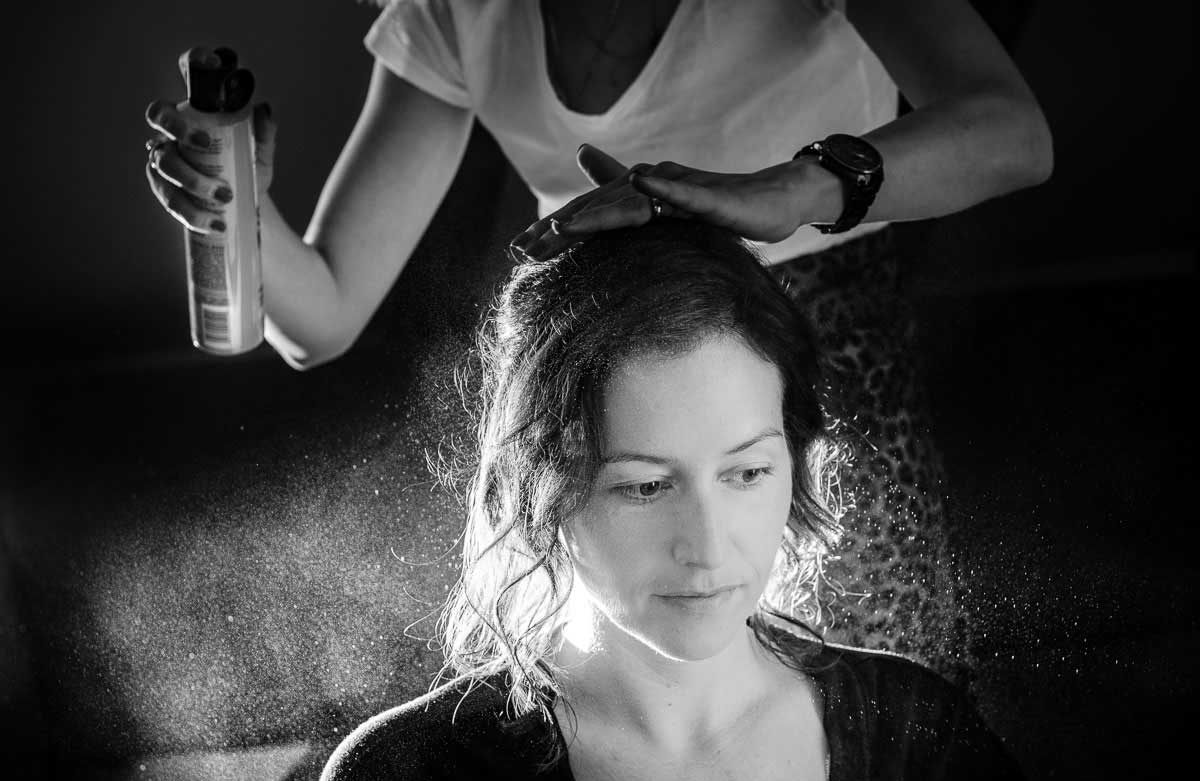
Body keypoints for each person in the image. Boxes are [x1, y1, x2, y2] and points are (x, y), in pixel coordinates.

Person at [144, 0, 1053, 674]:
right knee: (607, 707)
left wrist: (790, 193)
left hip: (815, 361)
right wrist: (243, 208)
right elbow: (326, 315)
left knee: (861, 694)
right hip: (606, 393)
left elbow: (1012, 132)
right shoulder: (454, 14)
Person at [312, 220, 1033, 781]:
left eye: (747, 472)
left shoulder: (918, 738)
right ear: (538, 486)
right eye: (646, 486)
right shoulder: (409, 778)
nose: (709, 547)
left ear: (798, 457)